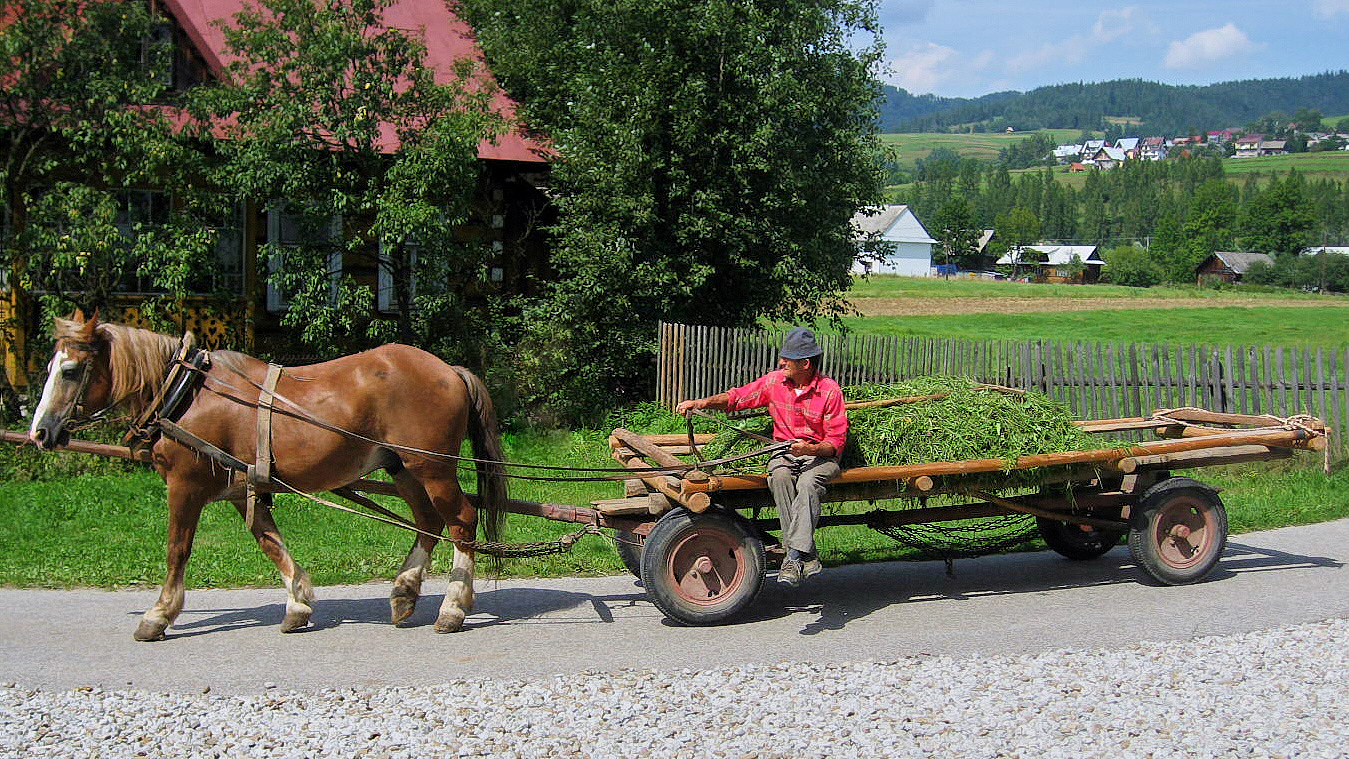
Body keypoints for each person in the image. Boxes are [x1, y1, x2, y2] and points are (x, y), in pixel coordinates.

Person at [675, 327, 848, 586]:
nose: (781, 363)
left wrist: (809, 449)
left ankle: (792, 556)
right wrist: (701, 403)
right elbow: (737, 398)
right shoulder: (774, 382)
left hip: (820, 458)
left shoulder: (830, 391)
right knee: (778, 476)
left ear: (806, 363)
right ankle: (806, 554)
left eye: (786, 359)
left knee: (808, 484)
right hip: (784, 454)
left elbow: (835, 442)